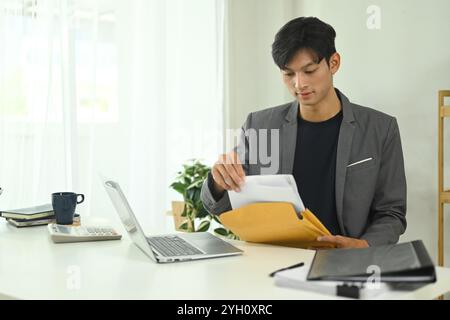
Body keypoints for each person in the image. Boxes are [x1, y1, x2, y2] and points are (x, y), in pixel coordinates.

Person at [200, 17, 406, 248]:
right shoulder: (259, 124)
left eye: (309, 70)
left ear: (334, 63)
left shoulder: (380, 128)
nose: (299, 84)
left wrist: (364, 245)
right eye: (288, 74)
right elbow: (220, 206)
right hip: (274, 263)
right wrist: (219, 182)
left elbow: (392, 213)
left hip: (347, 263)